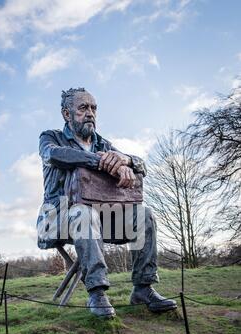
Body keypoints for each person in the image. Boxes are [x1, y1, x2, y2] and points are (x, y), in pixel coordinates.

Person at [36, 87, 177, 319]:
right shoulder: (51, 137)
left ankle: (143, 289)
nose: (90, 113)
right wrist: (100, 161)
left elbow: (142, 166)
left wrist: (126, 159)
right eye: (83, 108)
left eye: (93, 108)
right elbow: (53, 155)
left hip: (99, 218)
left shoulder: (104, 144)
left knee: (145, 215)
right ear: (66, 114)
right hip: (56, 218)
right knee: (83, 213)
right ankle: (97, 293)